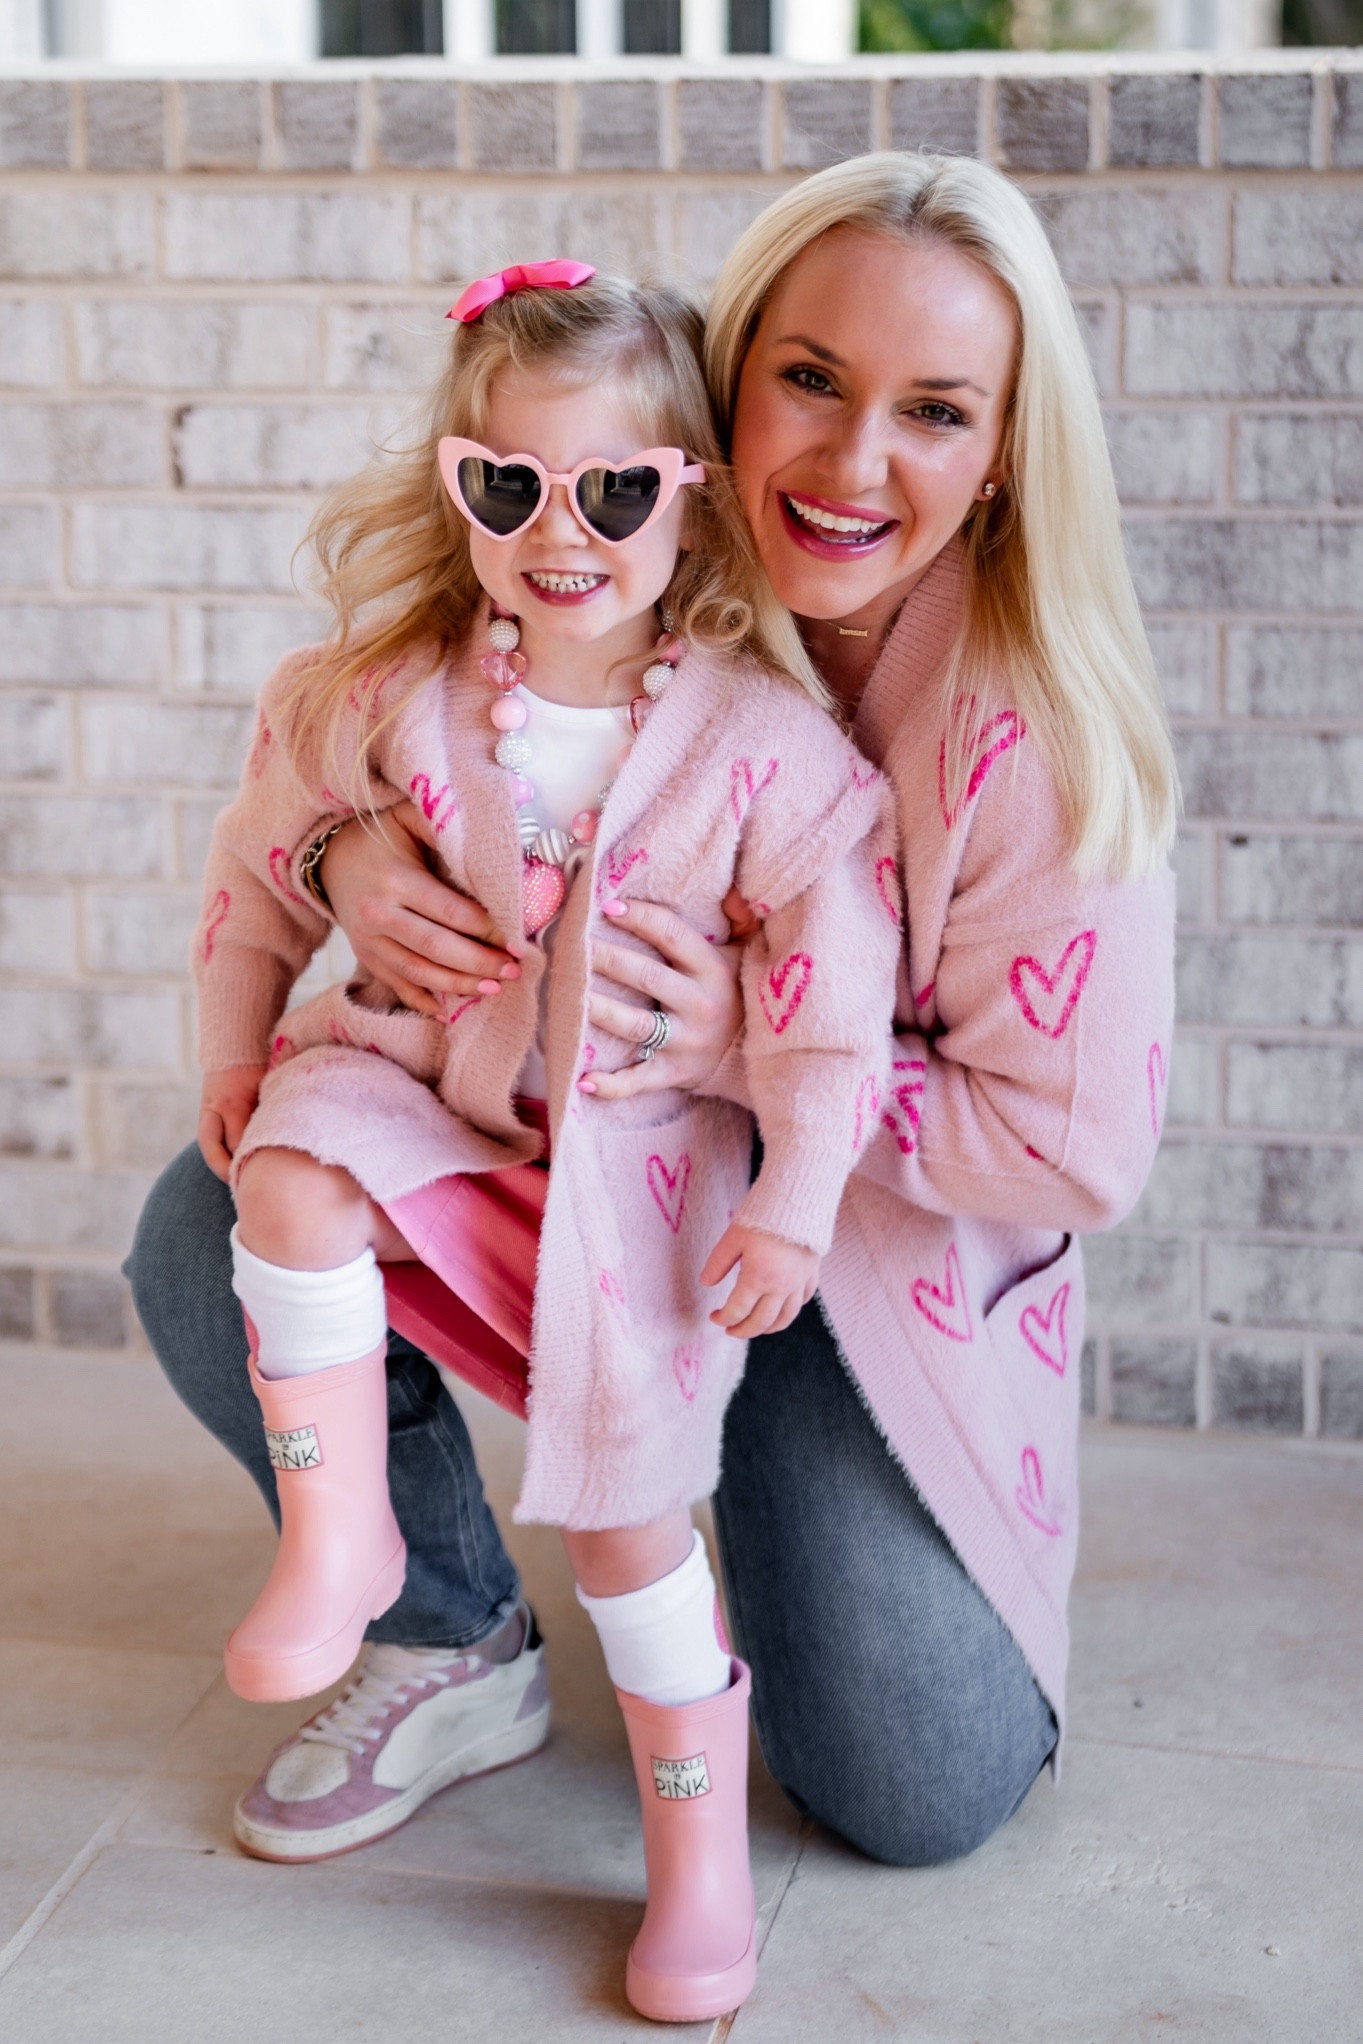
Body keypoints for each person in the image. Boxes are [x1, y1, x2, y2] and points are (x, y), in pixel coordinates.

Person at [128, 149, 1176, 1917]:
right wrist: (345, 850)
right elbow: (346, 756)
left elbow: (1075, 1146)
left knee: (915, 1784)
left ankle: (738, 1543)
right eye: (812, 384)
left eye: (935, 413)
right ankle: (448, 1623)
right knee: (210, 1221)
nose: (852, 465)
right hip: (568, 1154)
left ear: (1003, 456)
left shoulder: (1026, 730)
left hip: (838, 1255)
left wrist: (746, 1064)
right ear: (726, 378)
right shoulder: (610, 557)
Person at [184, 262, 899, 2022]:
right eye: (504, 486)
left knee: (628, 1527)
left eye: (609, 491)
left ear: (691, 497)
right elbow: (252, 873)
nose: (554, 533)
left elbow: (831, 1009)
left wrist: (799, 1202)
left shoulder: (765, 754)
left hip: (627, 1185)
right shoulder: (384, 695)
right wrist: (230, 1042)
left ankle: (697, 1852)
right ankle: (343, 1538)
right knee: (283, 1166)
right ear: (457, 487)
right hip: (424, 1097)